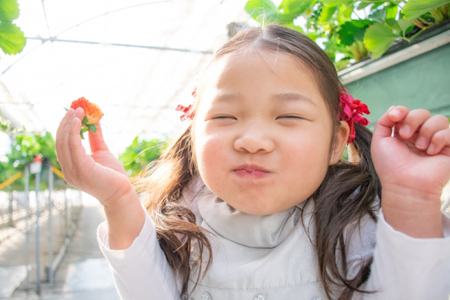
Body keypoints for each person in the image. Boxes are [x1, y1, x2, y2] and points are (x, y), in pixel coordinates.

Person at [55, 25, 450, 300]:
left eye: (289, 117)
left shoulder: (360, 222)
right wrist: (119, 201)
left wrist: (412, 200)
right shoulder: (180, 224)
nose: (252, 141)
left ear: (336, 142)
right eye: (224, 117)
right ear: (193, 136)